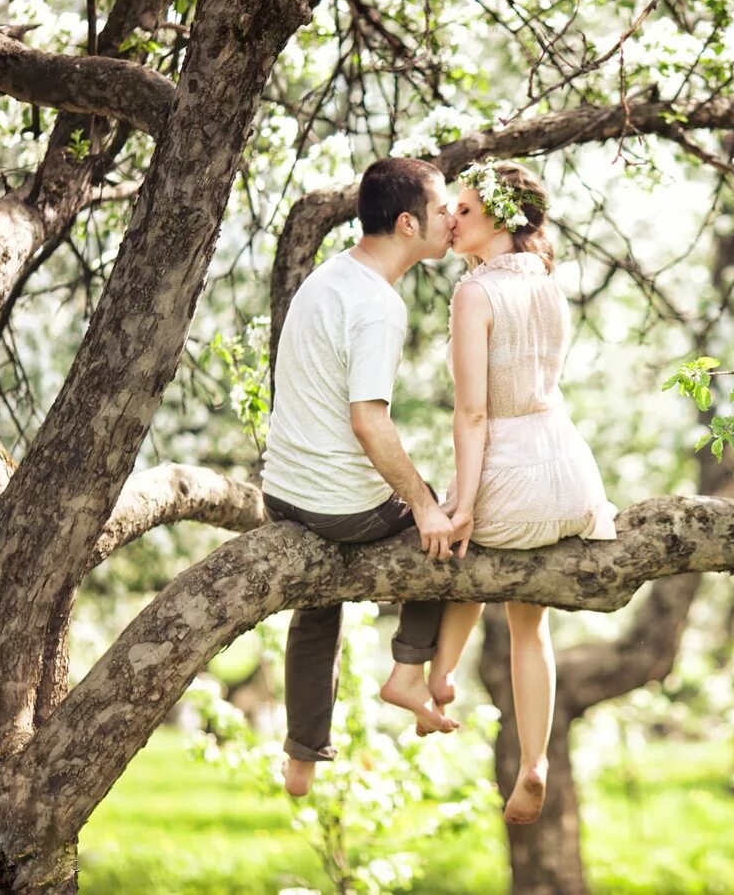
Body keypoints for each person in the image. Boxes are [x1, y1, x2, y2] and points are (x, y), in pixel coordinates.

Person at [410, 159, 617, 825]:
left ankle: (437, 677)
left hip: (510, 468)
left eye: (464, 210)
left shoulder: (475, 294)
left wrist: (463, 502)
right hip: (568, 470)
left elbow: (472, 414)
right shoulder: (546, 281)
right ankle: (536, 761)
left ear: (500, 217)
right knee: (531, 624)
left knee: (461, 551)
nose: (452, 219)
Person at [261, 156, 460, 797]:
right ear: (407, 223)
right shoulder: (377, 306)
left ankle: (301, 756)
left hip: (283, 494)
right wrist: (425, 505)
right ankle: (408, 670)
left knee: (318, 613)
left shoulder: (331, 276)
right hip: (337, 506)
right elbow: (369, 423)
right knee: (450, 526)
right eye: (442, 209)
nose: (453, 218)